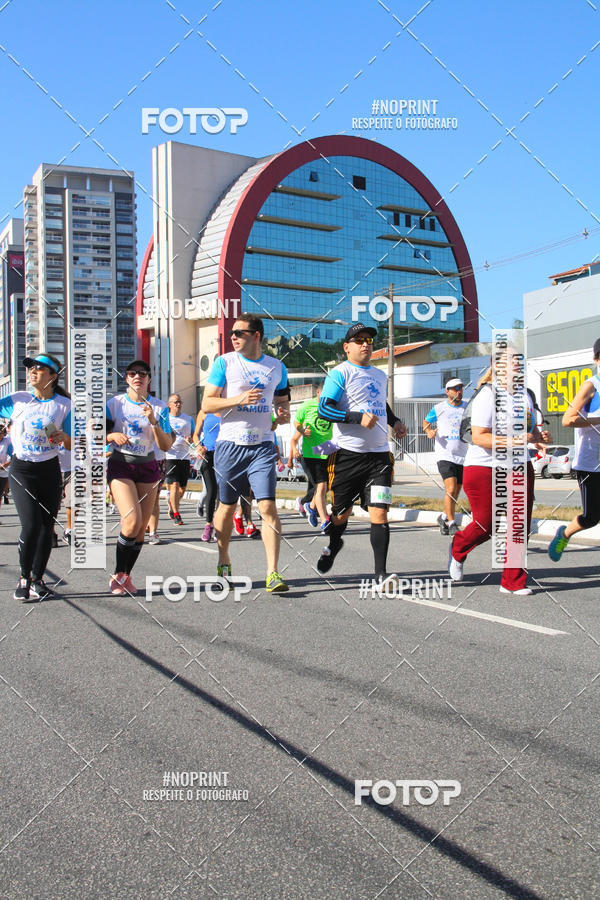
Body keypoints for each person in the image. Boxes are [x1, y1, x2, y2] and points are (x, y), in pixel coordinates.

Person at [202, 313, 291, 592]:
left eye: (239, 333)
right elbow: (207, 403)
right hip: (230, 445)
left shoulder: (277, 367)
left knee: (267, 506)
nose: (233, 337)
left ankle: (273, 572)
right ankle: (224, 557)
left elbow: (282, 400)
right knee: (226, 508)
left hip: (263, 446)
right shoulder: (224, 363)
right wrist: (238, 399)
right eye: (231, 333)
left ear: (256, 336)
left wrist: (282, 413)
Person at [316, 323, 406, 582]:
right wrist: (356, 418)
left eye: (368, 339)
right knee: (341, 514)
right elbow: (325, 409)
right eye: (359, 340)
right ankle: (333, 545)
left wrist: (395, 421)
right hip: (347, 455)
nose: (366, 344)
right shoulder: (339, 373)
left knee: (379, 511)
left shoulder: (379, 375)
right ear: (347, 347)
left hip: (379, 457)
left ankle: (380, 575)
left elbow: (380, 405)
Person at [448, 352, 545, 594]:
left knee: (518, 523)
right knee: (485, 524)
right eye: (512, 360)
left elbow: (531, 428)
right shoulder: (487, 395)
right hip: (484, 466)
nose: (518, 364)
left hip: (519, 465)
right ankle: (458, 548)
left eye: (520, 360)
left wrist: (539, 438)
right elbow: (479, 436)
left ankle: (512, 582)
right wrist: (516, 439)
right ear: (498, 367)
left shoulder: (526, 395)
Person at [0, 354, 71, 601]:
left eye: (40, 369)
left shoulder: (64, 405)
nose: (33, 371)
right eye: (31, 367)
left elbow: (77, 443)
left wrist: (65, 439)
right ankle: (23, 577)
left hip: (49, 469)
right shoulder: (18, 399)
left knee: (46, 528)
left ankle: (37, 579)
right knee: (30, 525)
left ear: (53, 376)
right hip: (22, 469)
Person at [106, 359, 173, 595]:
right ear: (126, 378)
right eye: (133, 373)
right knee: (131, 522)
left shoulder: (160, 407)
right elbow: (96, 435)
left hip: (148, 466)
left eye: (142, 373)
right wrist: (112, 435)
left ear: (149, 379)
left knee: (141, 529)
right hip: (121, 465)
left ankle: (125, 576)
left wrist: (154, 422)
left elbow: (165, 444)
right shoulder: (114, 404)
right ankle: (117, 574)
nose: (138, 377)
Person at [548, 338, 600, 561]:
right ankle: (564, 533)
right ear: (596, 359)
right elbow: (567, 420)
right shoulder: (590, 386)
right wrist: (597, 420)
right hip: (590, 463)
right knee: (591, 517)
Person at [423, 378, 468, 536]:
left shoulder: (467, 407)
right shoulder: (439, 408)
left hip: (463, 455)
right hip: (445, 454)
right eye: (455, 389)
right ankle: (452, 522)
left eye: (460, 388)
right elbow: (426, 422)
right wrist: (429, 432)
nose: (459, 391)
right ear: (447, 391)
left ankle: (443, 517)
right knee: (450, 488)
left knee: (456, 491)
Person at [288, 384, 334, 533]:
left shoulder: (332, 407)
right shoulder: (307, 406)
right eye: (324, 393)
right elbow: (296, 423)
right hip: (310, 454)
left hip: (328, 451)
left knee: (327, 487)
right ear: (318, 392)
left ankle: (310, 506)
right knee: (321, 486)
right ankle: (325, 520)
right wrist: (301, 431)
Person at [165, 394, 195, 526]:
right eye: (175, 402)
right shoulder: (165, 419)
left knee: (182, 489)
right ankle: (177, 514)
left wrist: (191, 441)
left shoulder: (188, 419)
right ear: (169, 404)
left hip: (184, 456)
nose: (178, 404)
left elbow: (194, 437)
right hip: (170, 456)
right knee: (174, 485)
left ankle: (171, 505)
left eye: (180, 402)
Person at [193, 410, 220, 542]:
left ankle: (219, 525)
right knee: (211, 491)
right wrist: (199, 446)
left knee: (223, 494)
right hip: (207, 455)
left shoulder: (230, 410)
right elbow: (195, 435)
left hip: (225, 455)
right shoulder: (204, 412)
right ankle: (208, 525)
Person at [0, 422, 13, 507]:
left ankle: (5, 494)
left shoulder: (7, 442)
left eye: (1, 432)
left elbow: (13, 456)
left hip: (2, 472)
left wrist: (6, 464)